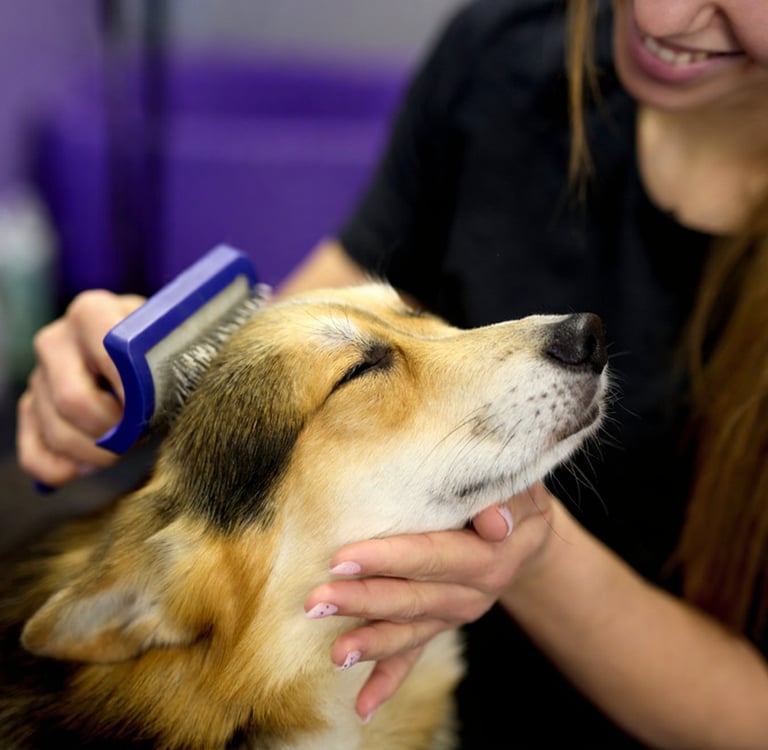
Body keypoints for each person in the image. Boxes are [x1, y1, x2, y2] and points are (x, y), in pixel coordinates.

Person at [16, 0, 768, 746]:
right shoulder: (504, 55)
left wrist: (534, 559)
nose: (661, 15)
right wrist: (134, 370)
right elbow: (305, 342)